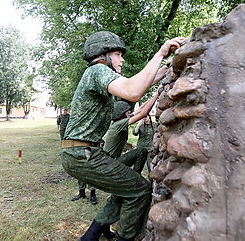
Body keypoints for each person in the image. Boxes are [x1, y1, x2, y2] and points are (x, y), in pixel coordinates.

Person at [61, 30, 185, 241]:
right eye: (118, 54)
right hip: (82, 153)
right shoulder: (97, 70)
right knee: (140, 190)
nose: (122, 59)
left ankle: (90, 236)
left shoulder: (96, 74)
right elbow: (133, 90)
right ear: (104, 55)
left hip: (83, 152)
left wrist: (168, 66)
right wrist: (161, 53)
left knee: (125, 188)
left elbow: (145, 81)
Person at [103, 95, 158, 174]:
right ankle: (135, 177)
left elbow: (140, 109)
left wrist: (155, 95)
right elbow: (143, 113)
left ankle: (134, 176)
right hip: (111, 163)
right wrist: (156, 96)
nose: (130, 112)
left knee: (141, 151)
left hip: (114, 161)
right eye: (127, 111)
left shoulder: (121, 121)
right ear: (122, 114)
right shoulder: (118, 124)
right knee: (141, 151)